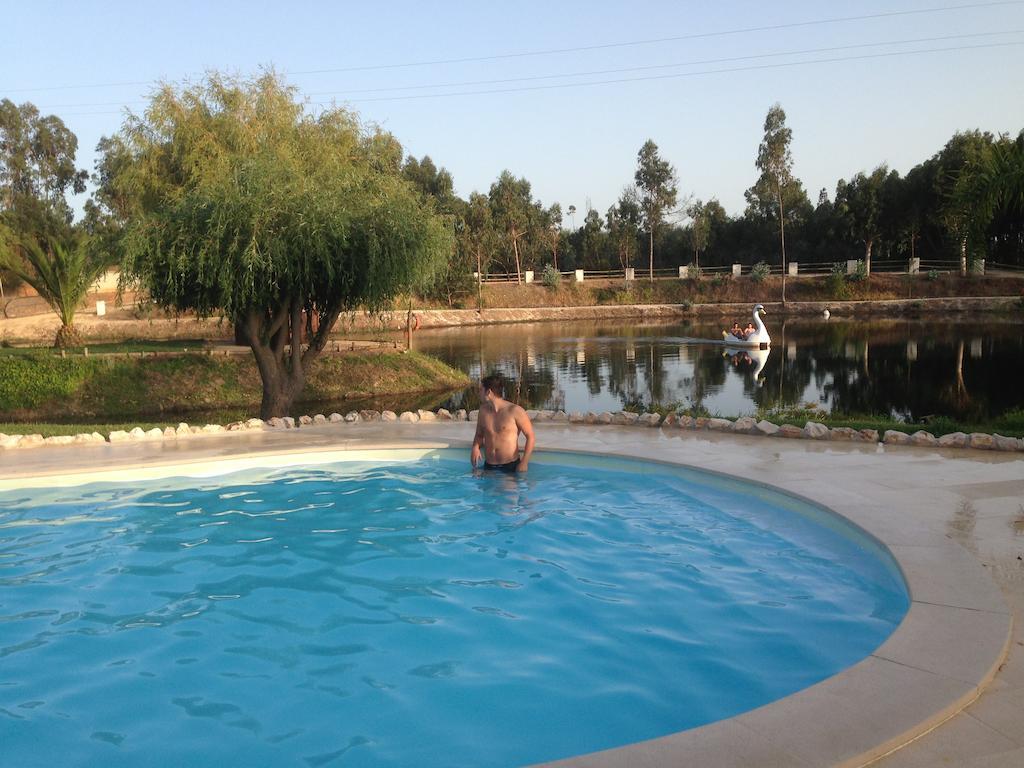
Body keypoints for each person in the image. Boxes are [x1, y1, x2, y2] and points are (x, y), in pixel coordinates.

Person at [471, 373, 535, 473]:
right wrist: (475, 447)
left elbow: (530, 436)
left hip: (510, 466)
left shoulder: (515, 411)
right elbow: (479, 435)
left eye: (480, 390)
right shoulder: (483, 411)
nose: (479, 393)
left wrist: (524, 462)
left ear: (488, 392)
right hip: (489, 466)